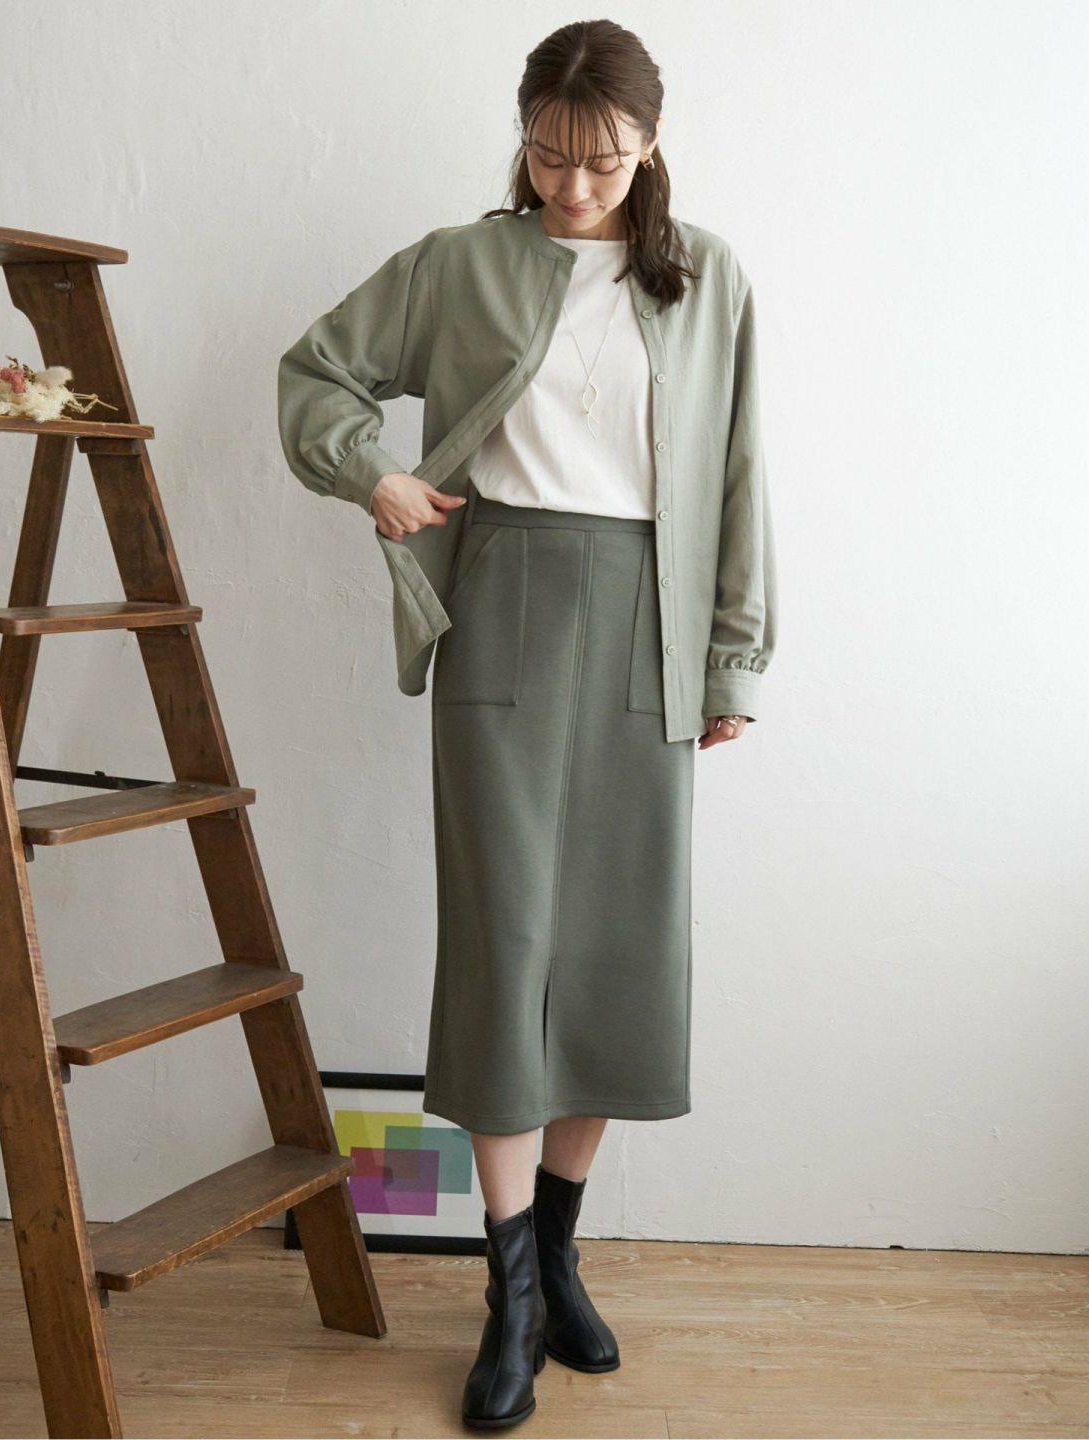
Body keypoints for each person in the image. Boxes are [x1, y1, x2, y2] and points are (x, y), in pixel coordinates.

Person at [277, 18, 777, 1430]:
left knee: (615, 947)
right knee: (507, 946)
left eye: (603, 161)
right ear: (526, 142)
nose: (574, 187)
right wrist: (369, 475)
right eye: (551, 158)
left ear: (651, 145)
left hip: (649, 622)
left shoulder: (709, 278)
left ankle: (558, 1258)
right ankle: (506, 1295)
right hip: (502, 601)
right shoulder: (462, 264)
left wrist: (731, 661)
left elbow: (740, 474)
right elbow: (316, 372)